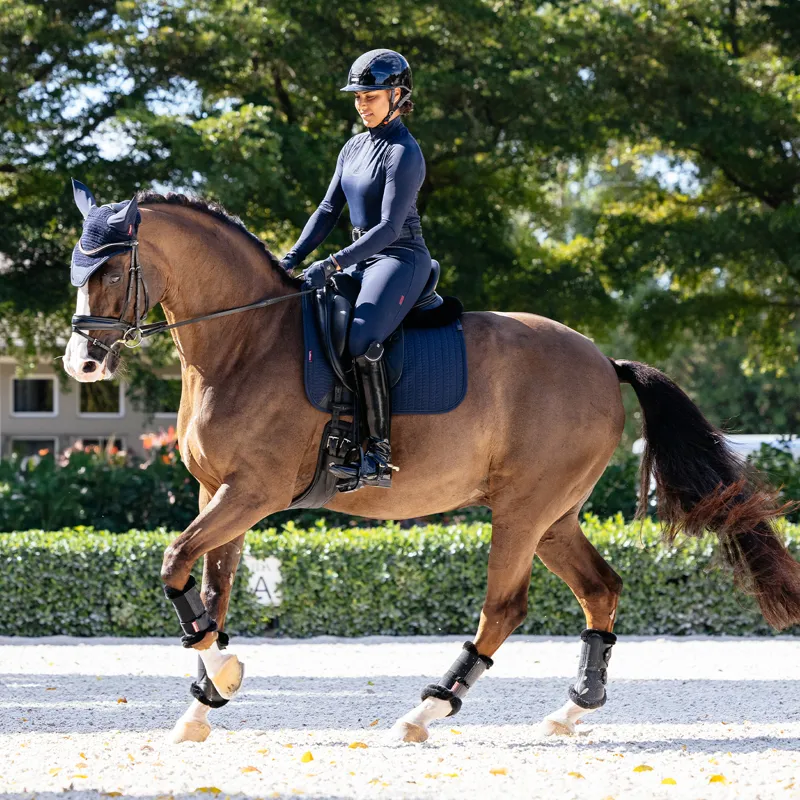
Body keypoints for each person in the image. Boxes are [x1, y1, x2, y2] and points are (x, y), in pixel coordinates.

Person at [280, 49, 432, 489]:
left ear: (397, 94)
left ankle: (377, 451)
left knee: (363, 337)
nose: (362, 103)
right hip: (361, 259)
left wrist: (331, 263)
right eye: (358, 96)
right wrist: (288, 260)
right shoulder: (353, 147)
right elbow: (328, 210)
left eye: (371, 95)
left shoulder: (404, 153)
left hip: (399, 257)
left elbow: (387, 227)